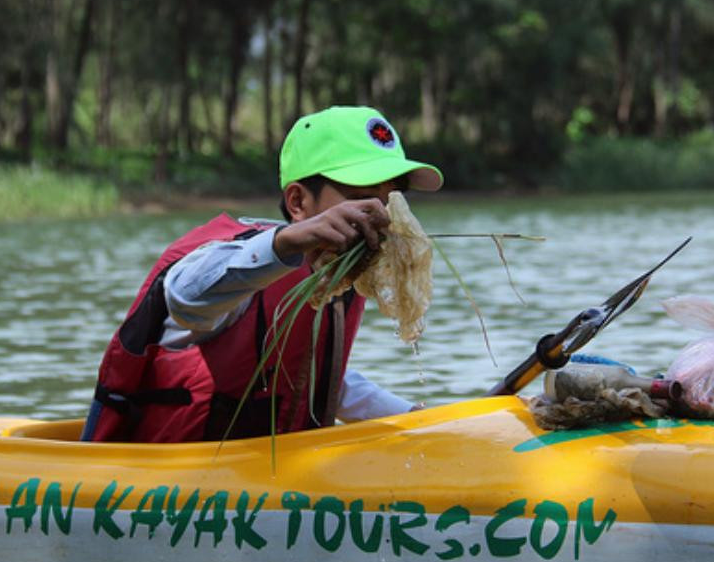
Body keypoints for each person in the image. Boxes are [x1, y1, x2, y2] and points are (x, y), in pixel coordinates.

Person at [81, 105, 443, 443]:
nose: (379, 216)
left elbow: (313, 378)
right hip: (166, 480)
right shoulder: (240, 263)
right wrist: (286, 244)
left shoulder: (337, 274)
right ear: (298, 202)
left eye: (390, 201)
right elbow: (184, 299)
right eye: (360, 197)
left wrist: (419, 419)